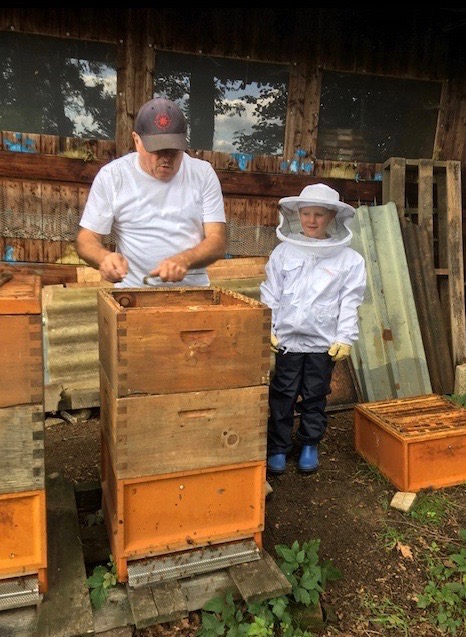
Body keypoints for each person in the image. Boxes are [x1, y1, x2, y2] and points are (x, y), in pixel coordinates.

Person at [260, 183, 366, 475]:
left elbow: (350, 301)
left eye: (319, 214)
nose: (311, 220)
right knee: (282, 395)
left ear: (331, 217)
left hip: (322, 343)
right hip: (287, 342)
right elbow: (271, 292)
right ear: (297, 214)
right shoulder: (284, 253)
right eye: (306, 213)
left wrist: (345, 337)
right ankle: (279, 447)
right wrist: (266, 325)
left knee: (316, 394)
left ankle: (309, 444)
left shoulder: (349, 260)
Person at [76, 96, 226, 287]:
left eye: (173, 150)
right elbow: (86, 238)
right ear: (136, 140)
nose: (166, 158)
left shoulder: (203, 174)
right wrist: (104, 258)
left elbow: (217, 240)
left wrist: (185, 260)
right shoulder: (113, 176)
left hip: (192, 291)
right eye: (157, 150)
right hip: (133, 291)